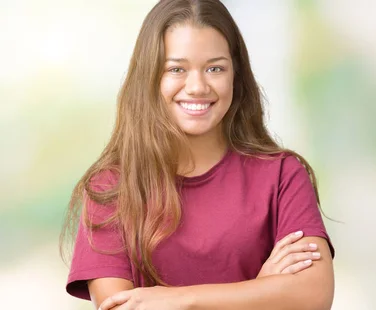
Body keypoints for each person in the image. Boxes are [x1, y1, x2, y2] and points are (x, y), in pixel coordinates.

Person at [59, 0, 335, 309]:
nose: (197, 86)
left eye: (215, 68)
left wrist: (179, 300)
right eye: (176, 69)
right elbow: (120, 307)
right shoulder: (110, 189)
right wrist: (261, 291)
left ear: (236, 75)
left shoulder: (283, 175)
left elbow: (314, 295)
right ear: (149, 76)